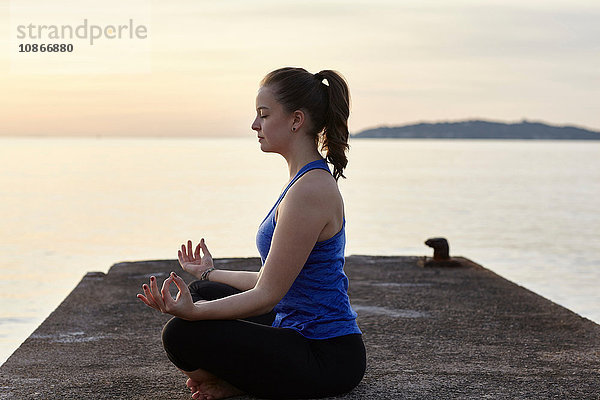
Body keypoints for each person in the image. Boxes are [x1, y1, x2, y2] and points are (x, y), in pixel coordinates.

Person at [137, 67, 365, 400]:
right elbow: (270, 279)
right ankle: (234, 380)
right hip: (293, 329)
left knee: (181, 333)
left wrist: (193, 313)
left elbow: (267, 294)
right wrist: (210, 272)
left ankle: (232, 383)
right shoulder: (303, 181)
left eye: (264, 114)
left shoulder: (310, 191)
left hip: (325, 354)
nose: (255, 125)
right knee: (203, 288)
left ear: (296, 120)